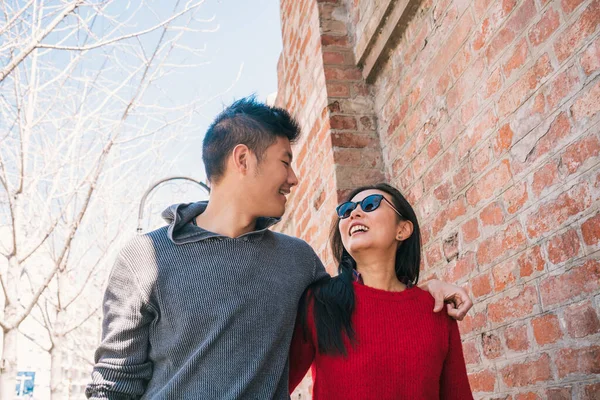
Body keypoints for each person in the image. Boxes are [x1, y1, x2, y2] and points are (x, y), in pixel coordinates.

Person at [86, 97, 473, 399]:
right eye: (285, 161)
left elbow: (369, 297)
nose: (293, 178)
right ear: (243, 159)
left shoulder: (297, 261)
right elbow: (113, 385)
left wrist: (427, 289)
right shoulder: (144, 257)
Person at [289, 183, 473, 399]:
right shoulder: (319, 302)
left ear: (402, 230)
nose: (354, 213)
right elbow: (269, 385)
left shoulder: (436, 308)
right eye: (346, 211)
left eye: (370, 205)